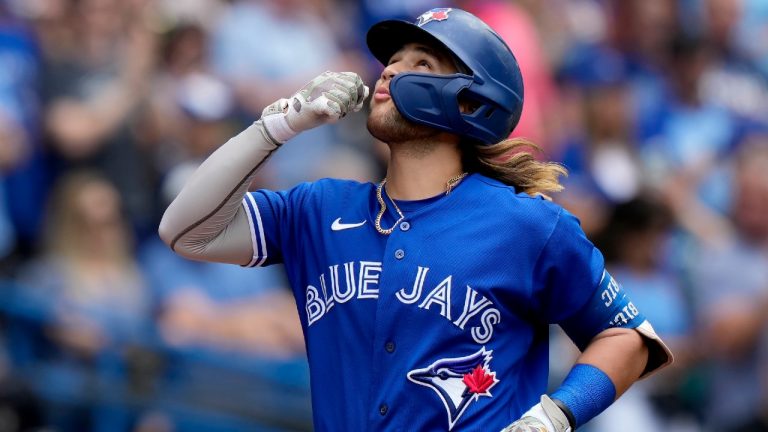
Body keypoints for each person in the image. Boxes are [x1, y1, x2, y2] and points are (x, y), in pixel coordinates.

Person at [160, 8, 672, 431]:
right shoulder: (318, 208)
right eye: (391, 60)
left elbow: (629, 337)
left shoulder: (528, 226)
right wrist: (281, 123)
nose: (388, 71)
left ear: (472, 102)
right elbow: (185, 231)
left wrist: (557, 415)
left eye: (421, 63)